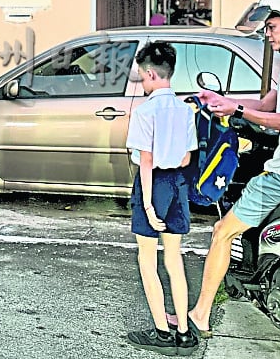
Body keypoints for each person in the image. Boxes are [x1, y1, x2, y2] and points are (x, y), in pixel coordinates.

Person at [171, 0, 280, 337]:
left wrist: (239, 111)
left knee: (222, 231)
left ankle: (200, 314)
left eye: (273, 26)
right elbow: (268, 104)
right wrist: (224, 101)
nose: (268, 33)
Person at [125, 41, 199, 356]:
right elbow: (185, 159)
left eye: (142, 76)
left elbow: (145, 159)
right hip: (178, 184)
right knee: (174, 258)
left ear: (152, 74)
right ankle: (183, 330)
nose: (141, 83)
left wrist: (146, 204)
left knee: (147, 258)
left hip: (153, 182)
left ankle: (161, 331)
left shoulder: (146, 112)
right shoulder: (185, 110)